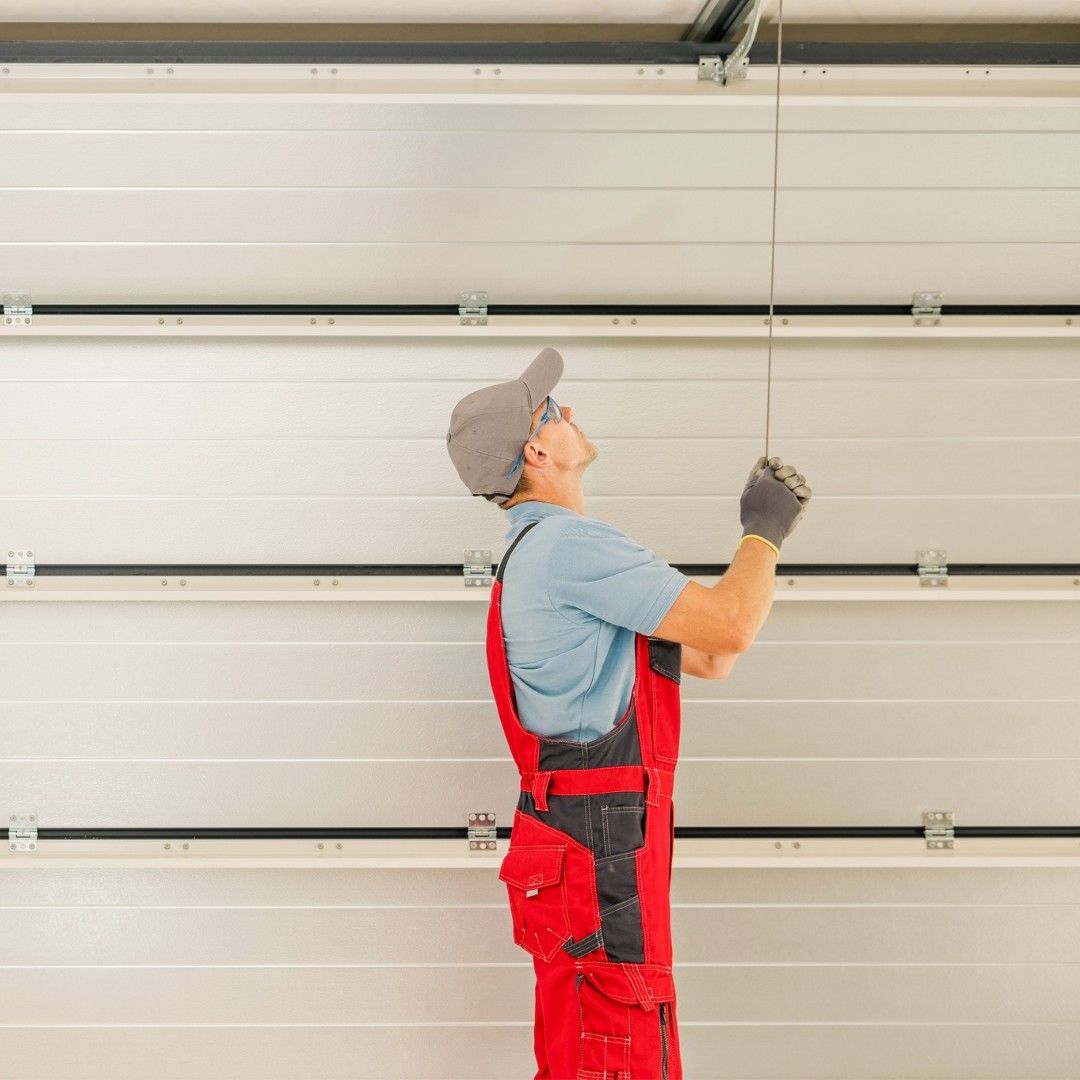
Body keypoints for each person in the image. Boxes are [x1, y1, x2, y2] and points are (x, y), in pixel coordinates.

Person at [446, 347, 811, 1079]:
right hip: (600, 841)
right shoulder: (569, 546)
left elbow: (710, 656)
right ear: (536, 451)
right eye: (554, 411)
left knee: (591, 1041)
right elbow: (731, 628)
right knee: (618, 1044)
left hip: (578, 836)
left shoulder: (536, 553)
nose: (571, 413)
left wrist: (754, 554)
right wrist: (762, 532)